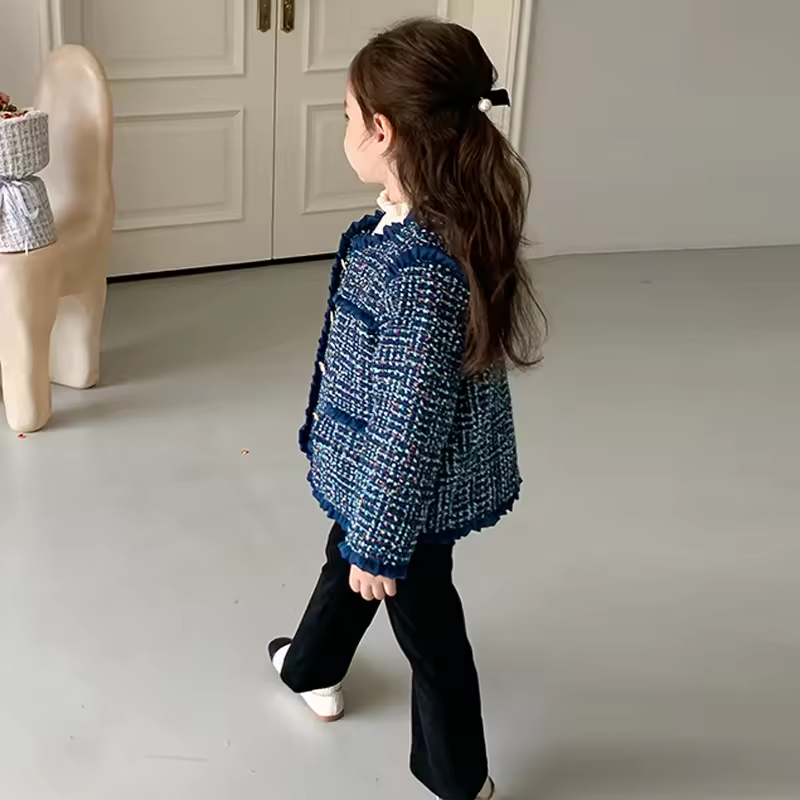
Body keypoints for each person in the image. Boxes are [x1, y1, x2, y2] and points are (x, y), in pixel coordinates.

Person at [267, 18, 545, 800]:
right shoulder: (428, 219)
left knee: (425, 626)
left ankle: (459, 780)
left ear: (382, 130)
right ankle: (311, 667)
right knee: (345, 558)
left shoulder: (419, 271)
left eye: (349, 117)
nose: (346, 130)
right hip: (384, 482)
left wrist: (382, 541)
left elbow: (409, 427)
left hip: (407, 494)